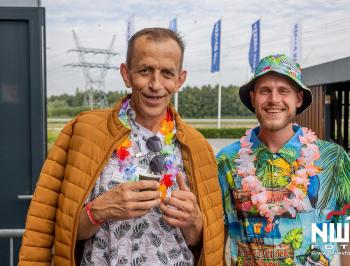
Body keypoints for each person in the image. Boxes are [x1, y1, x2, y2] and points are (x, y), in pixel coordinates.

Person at [19, 28, 224, 266]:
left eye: (167, 73)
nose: (155, 84)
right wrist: (97, 212)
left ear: (180, 80)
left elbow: (209, 244)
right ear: (126, 74)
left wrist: (194, 223)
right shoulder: (83, 132)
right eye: (145, 70)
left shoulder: (198, 146)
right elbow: (45, 228)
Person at [217, 54, 350, 266]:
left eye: (283, 91)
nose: (274, 99)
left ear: (298, 98)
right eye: (265, 91)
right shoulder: (226, 160)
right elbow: (216, 235)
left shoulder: (332, 158)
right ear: (253, 98)